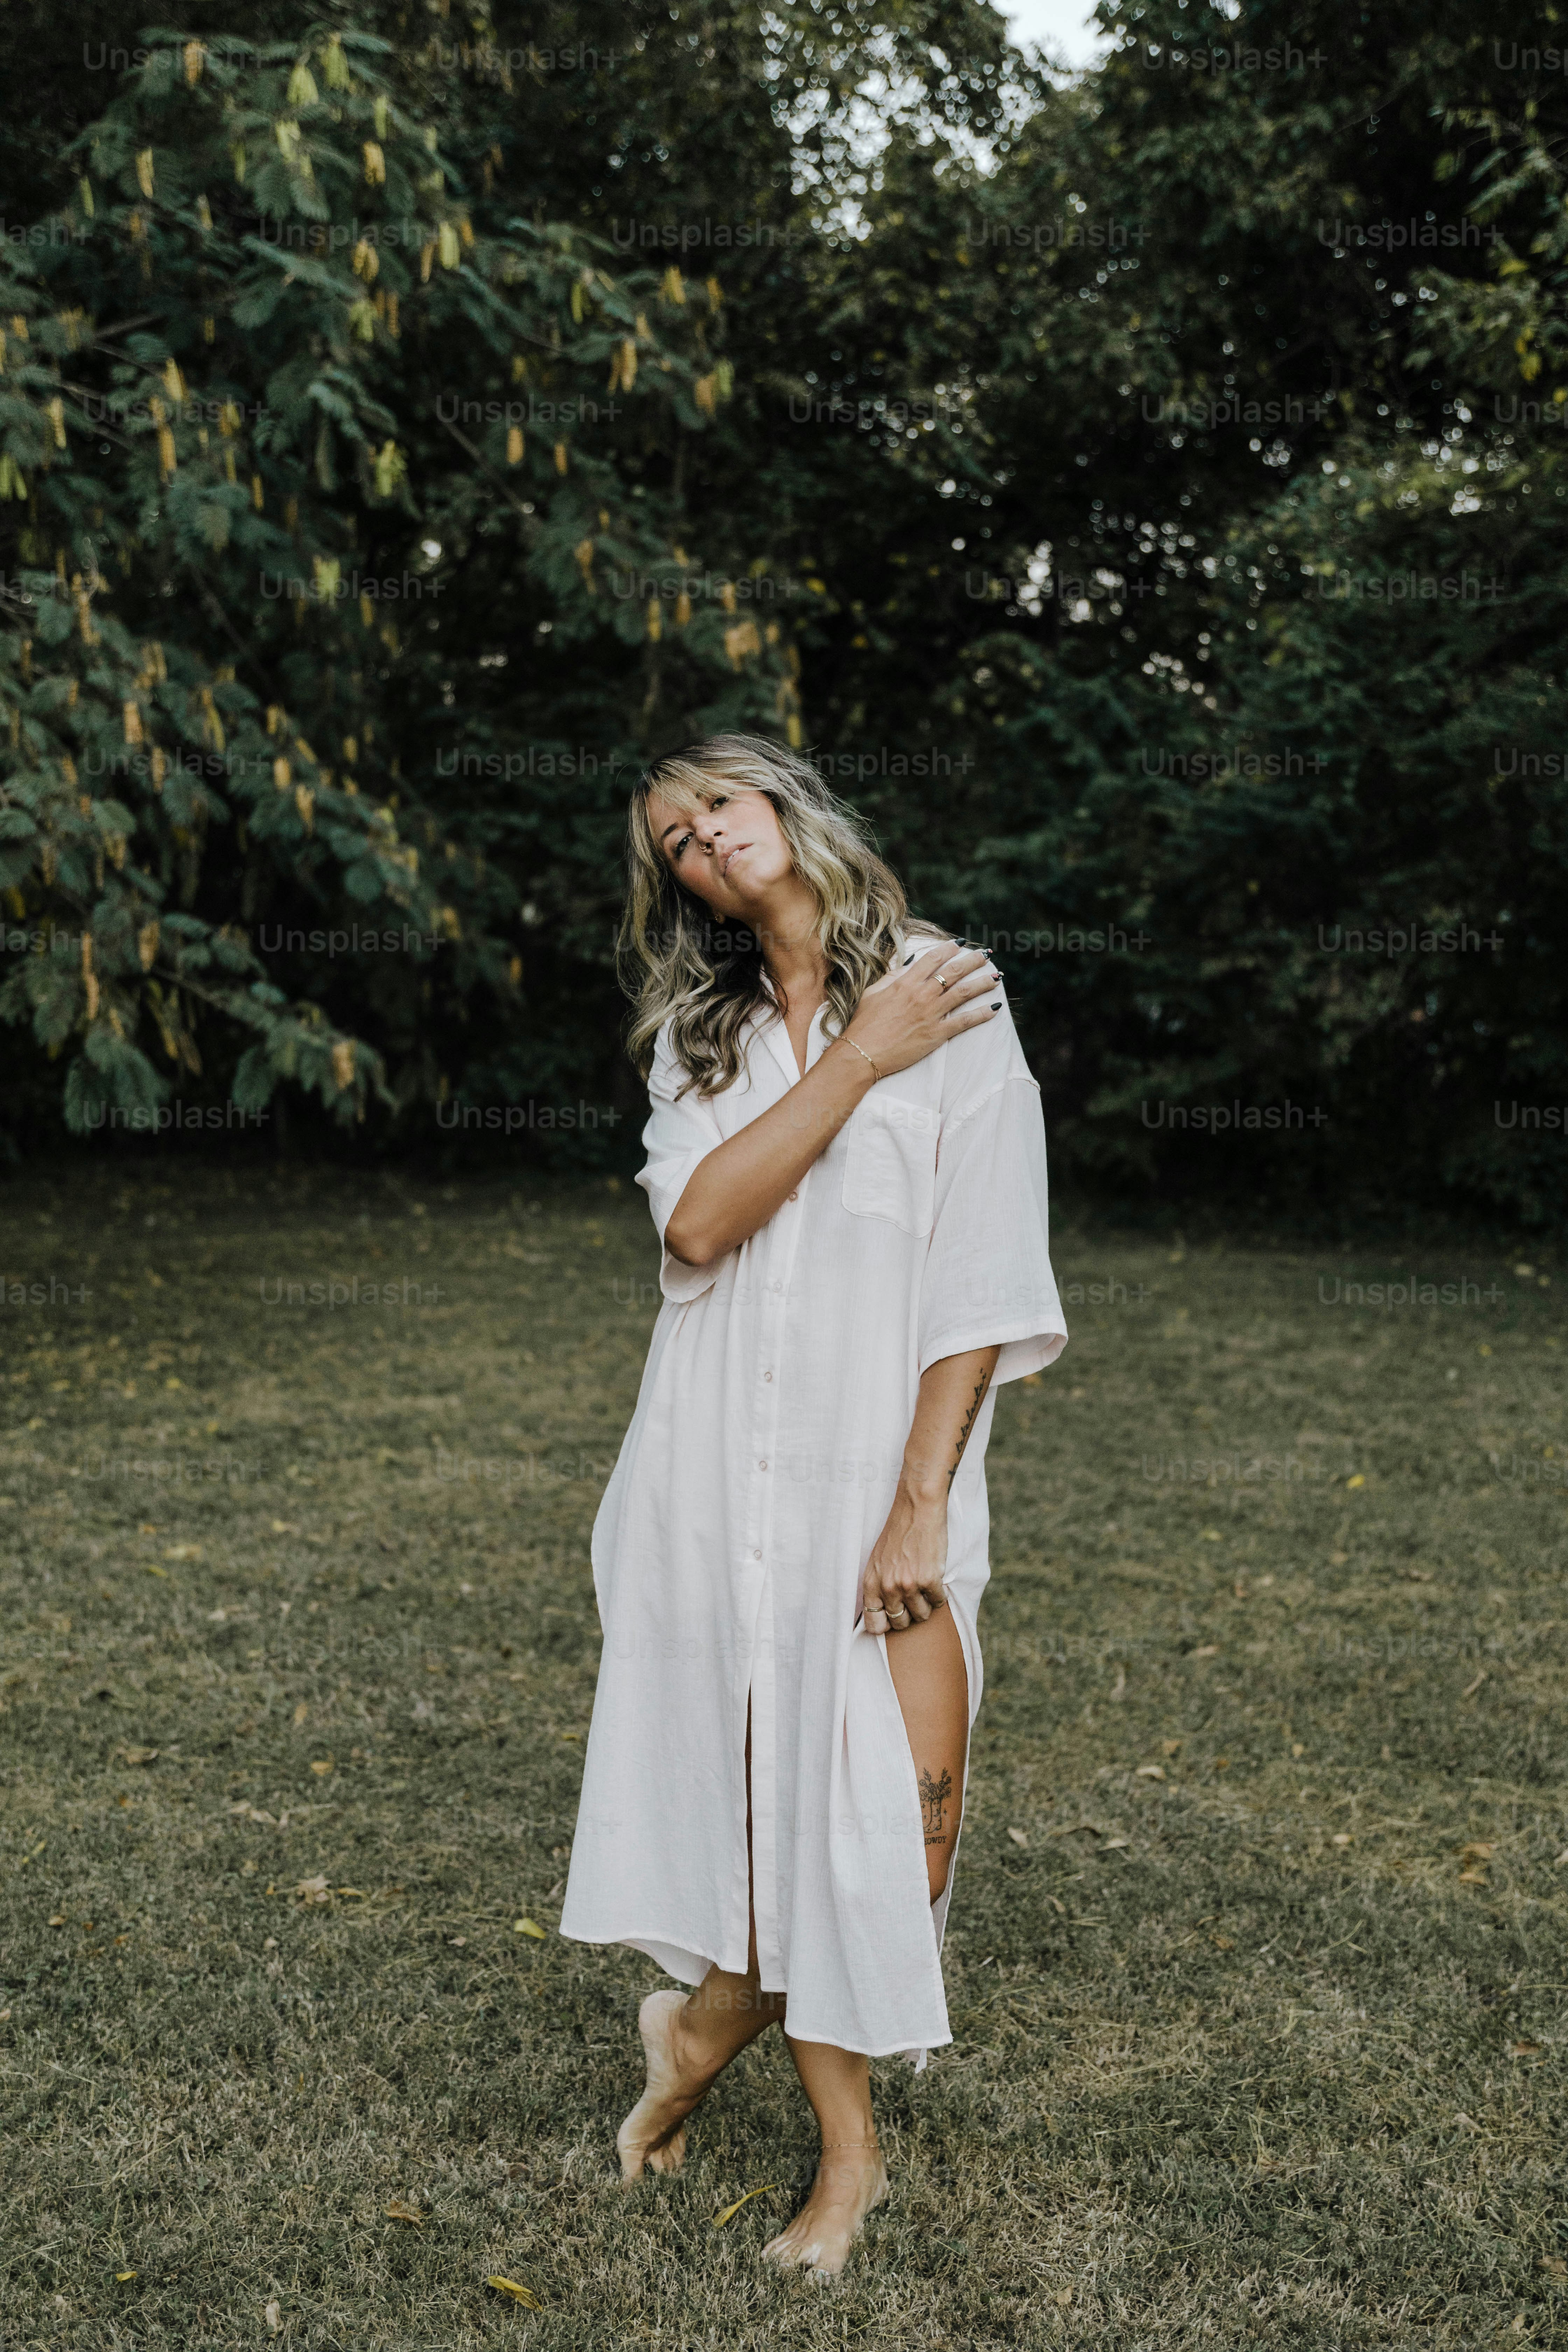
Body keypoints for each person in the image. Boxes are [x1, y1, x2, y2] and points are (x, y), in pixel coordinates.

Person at [559, 734, 1067, 2275]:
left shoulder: (949, 989)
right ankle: (850, 2167)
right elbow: (701, 1226)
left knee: (897, 1847)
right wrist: (857, 1060)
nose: (704, 837)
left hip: (881, 1481)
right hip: (712, 1474)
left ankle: (696, 2030)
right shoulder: (700, 1041)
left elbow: (983, 1274)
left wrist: (920, 1505)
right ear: (685, 889)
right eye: (675, 840)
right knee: (786, 1821)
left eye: (717, 803)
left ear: (780, 802)